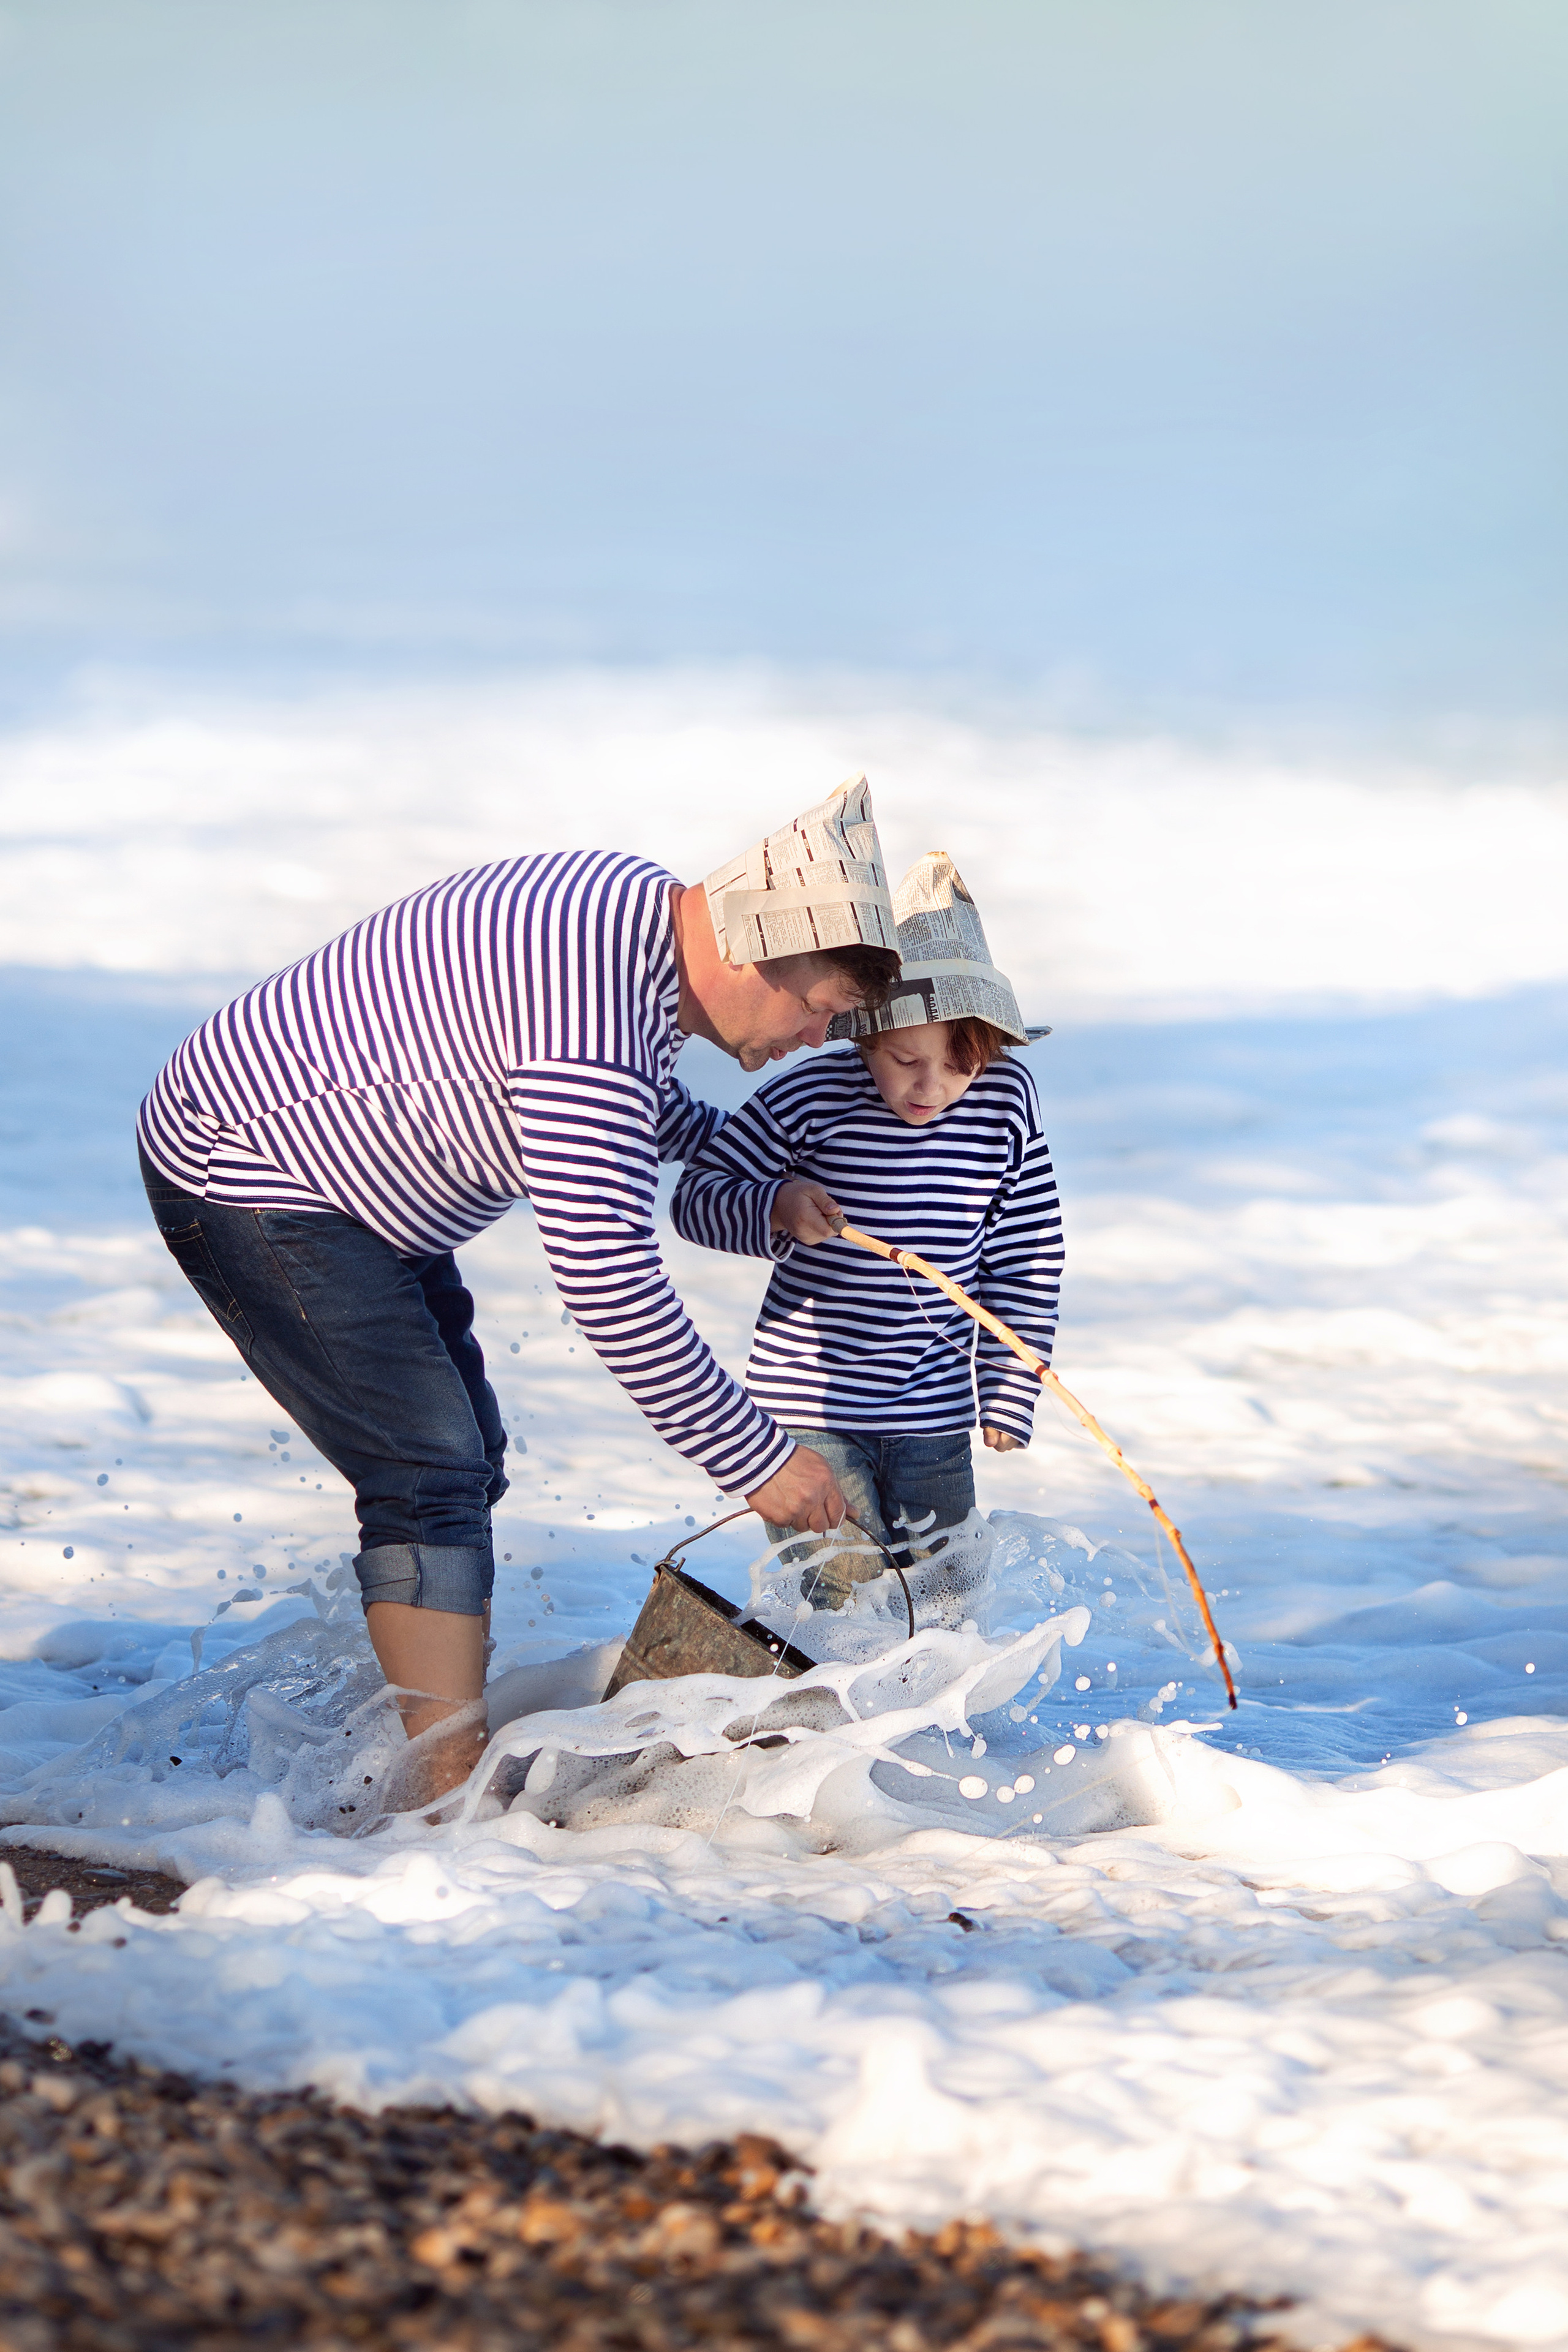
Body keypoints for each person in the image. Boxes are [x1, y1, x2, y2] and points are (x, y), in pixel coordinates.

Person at [136, 780, 901, 1797]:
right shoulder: (590, 1019)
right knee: (430, 1469)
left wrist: (744, 1176)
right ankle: (438, 1793)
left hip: (345, 1179)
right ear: (755, 947)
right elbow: (611, 1284)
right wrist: (757, 1458)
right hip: (250, 1168)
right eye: (822, 1012)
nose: (815, 1043)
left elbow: (627, 1089)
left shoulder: (632, 910)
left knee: (463, 1459)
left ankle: (398, 1718)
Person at [671, 850, 1061, 1608]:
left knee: (946, 1603)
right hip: (810, 1412)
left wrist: (1010, 1386)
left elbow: (1027, 1248)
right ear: (863, 1036)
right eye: (905, 1060)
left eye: (958, 1067)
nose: (932, 1088)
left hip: (935, 1408)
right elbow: (696, 1198)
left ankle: (932, 1730)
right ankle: (828, 1725)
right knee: (843, 1604)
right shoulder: (813, 1095)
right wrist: (775, 1208)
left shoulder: (1007, 1097)